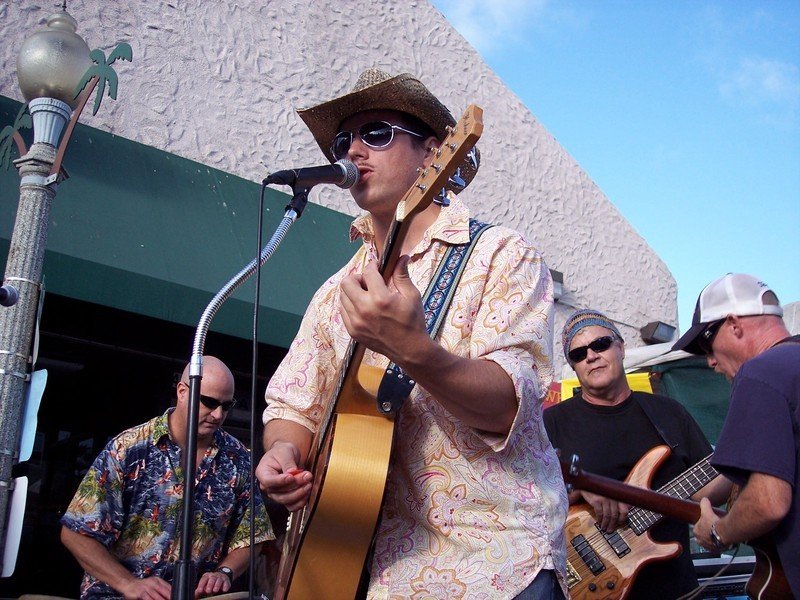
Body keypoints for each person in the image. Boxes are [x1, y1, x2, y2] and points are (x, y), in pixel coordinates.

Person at [255, 68, 568, 599]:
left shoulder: (499, 254)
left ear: (432, 153)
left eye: (376, 133)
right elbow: (294, 405)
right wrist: (282, 454)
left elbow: (507, 406)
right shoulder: (336, 291)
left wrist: (411, 349)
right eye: (342, 141)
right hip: (375, 573)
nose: (353, 150)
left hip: (495, 564)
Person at [544, 309, 730, 599]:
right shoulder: (551, 422)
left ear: (621, 348)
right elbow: (524, 499)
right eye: (578, 354)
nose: (591, 356)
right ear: (574, 366)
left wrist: (741, 465)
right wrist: (580, 489)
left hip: (673, 586)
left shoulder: (668, 412)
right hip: (593, 584)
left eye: (601, 344)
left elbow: (705, 492)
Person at [60, 356, 273, 600]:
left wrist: (225, 572)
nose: (217, 414)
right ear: (182, 391)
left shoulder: (238, 458)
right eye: (209, 402)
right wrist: (129, 584)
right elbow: (75, 533)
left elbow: (254, 535)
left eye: (226, 406)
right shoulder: (129, 448)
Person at [674, 273, 799, 598]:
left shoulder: (760, 373)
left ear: (734, 324)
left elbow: (768, 502)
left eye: (707, 344)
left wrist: (718, 531)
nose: (710, 361)